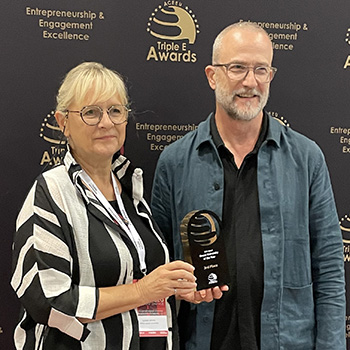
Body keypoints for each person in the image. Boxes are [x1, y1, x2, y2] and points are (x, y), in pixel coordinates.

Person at [151, 22, 346, 350]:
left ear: (271, 75)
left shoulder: (306, 158)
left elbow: (328, 267)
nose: (250, 82)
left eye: (261, 69)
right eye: (237, 68)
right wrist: (176, 289)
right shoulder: (175, 162)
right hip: (201, 340)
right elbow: (155, 266)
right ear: (212, 76)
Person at [10, 62, 224, 350]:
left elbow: (139, 280)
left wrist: (176, 290)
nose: (106, 123)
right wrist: (143, 290)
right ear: (63, 123)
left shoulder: (130, 194)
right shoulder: (51, 192)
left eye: (115, 110)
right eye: (90, 112)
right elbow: (48, 302)